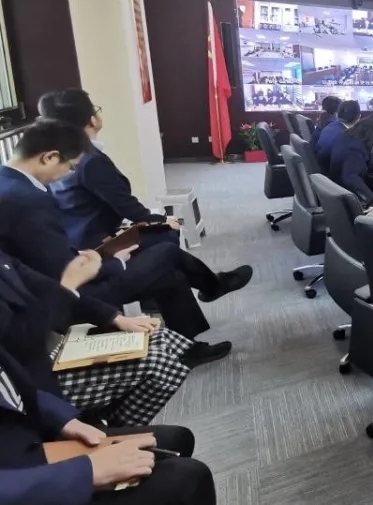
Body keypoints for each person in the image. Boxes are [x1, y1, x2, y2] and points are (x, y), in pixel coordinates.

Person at [0, 119, 240, 366]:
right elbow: (64, 275)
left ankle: (189, 345)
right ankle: (211, 289)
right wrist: (113, 263)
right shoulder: (28, 200)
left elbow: (41, 255)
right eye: (69, 167)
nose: (68, 175)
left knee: (169, 274)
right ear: (49, 157)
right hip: (69, 298)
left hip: (50, 283)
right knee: (167, 252)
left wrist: (91, 256)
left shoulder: (8, 181)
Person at [37, 90, 253, 288]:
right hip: (96, 247)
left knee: (170, 270)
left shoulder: (58, 156)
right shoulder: (90, 160)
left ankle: (208, 286)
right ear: (91, 120)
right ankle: (212, 285)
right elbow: (124, 204)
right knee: (166, 237)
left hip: (78, 240)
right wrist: (160, 220)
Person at [0, 343, 216, 505]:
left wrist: (62, 420)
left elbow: (13, 385)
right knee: (188, 479)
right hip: (21, 485)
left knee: (175, 440)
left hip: (23, 448)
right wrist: (86, 473)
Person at [0, 247, 191, 427]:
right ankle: (114, 430)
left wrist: (115, 318)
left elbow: (44, 287)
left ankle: (107, 423)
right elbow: (21, 340)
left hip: (53, 345)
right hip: (32, 381)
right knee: (158, 363)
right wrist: (68, 284)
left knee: (163, 338)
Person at [328, 113, 373, 216]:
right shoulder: (355, 148)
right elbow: (350, 177)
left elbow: (362, 161)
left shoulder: (349, 137)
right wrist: (370, 200)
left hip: (338, 193)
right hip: (348, 203)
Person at [315, 99, 360, 170]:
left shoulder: (330, 126)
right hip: (333, 172)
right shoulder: (347, 136)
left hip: (321, 168)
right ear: (358, 117)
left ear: (337, 114)